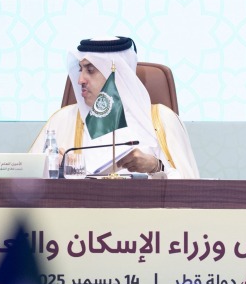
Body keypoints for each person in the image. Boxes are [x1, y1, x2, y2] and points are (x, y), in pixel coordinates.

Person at [30, 36, 200, 179]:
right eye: (80, 69)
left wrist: (156, 167)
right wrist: (55, 169)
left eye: (90, 70)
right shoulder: (62, 120)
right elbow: (26, 181)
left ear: (116, 73)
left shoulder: (161, 119)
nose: (80, 79)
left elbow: (191, 190)